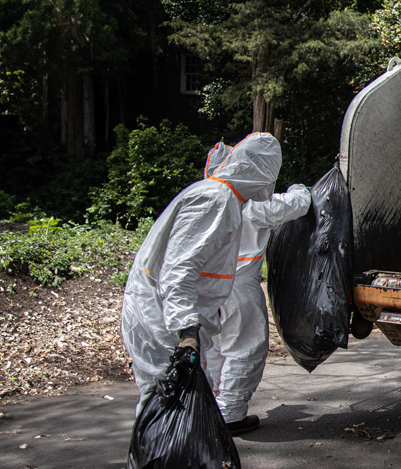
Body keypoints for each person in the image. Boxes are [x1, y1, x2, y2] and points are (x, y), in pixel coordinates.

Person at [120, 133, 282, 414]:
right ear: (261, 171)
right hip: (162, 315)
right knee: (170, 398)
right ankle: (165, 456)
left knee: (175, 398)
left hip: (165, 311)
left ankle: (173, 455)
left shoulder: (223, 198)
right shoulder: (214, 200)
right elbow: (178, 269)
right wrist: (186, 330)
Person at [200, 142, 311, 434]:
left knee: (213, 348)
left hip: (206, 289)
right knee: (245, 349)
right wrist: (298, 187)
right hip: (238, 288)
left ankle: (207, 408)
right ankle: (232, 414)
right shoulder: (252, 207)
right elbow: (299, 204)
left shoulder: (205, 201)